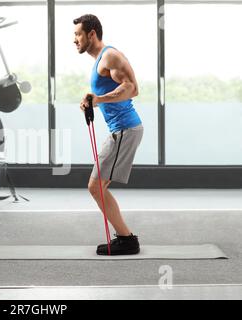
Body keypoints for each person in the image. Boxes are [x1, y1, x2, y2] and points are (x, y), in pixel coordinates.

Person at [74, 14, 144, 255]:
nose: (75, 40)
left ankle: (127, 240)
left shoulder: (110, 56)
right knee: (96, 187)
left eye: (78, 34)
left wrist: (99, 99)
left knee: (95, 186)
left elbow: (133, 88)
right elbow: (109, 91)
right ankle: (126, 238)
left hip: (126, 129)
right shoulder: (100, 61)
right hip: (121, 129)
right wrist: (91, 100)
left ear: (91, 34)